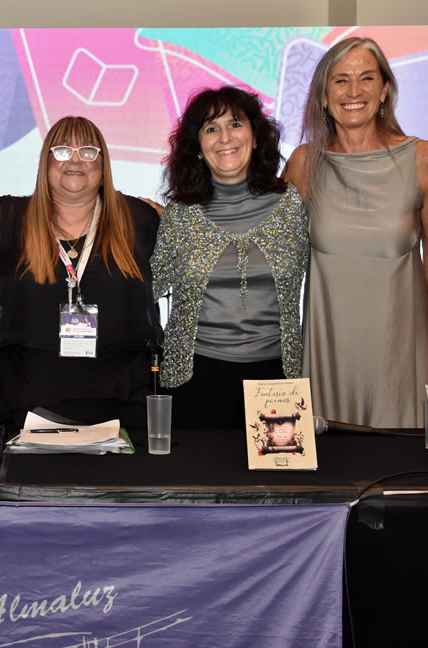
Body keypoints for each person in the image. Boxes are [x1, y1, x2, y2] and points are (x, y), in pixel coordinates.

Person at [0, 116, 161, 432]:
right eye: (62, 150)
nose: (75, 160)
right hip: (25, 412)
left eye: (88, 151)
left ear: (103, 164)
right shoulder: (9, 218)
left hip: (121, 412)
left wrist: (171, 215)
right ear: (45, 161)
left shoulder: (137, 218)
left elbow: (191, 246)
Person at [285, 37, 428, 428]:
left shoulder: (420, 159)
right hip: (327, 361)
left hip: (402, 363)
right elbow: (263, 242)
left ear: (384, 90)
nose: (354, 91)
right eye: (340, 80)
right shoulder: (304, 164)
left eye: (366, 78)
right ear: (324, 96)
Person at [151, 87, 309, 429]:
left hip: (277, 379)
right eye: (211, 128)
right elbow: (147, 286)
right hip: (195, 380)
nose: (225, 137)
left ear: (256, 136)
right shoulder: (179, 215)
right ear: (197, 147)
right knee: (197, 466)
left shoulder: (291, 204)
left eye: (235, 124)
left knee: (279, 466)